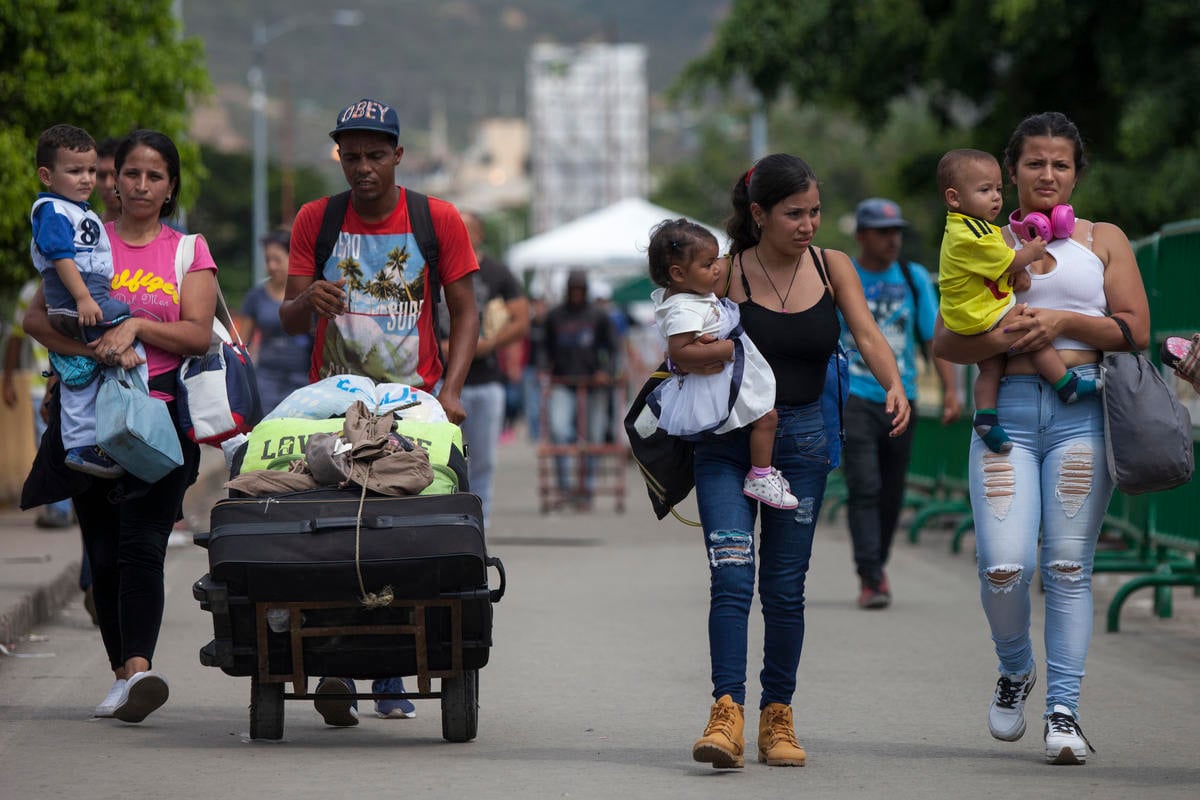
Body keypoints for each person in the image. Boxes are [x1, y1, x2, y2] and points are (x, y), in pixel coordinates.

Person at [932, 112, 1148, 765]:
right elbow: (945, 338)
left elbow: (1135, 329)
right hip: (1010, 418)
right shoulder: (981, 238)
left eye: (1060, 163)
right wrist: (1006, 337)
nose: (1047, 174)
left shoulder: (1103, 238)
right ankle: (1015, 667)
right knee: (1004, 567)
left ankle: (1063, 712)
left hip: (1083, 413)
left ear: (1077, 170)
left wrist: (1057, 321)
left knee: (1066, 568)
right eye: (1034, 163)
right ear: (1012, 171)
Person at [685, 154, 909, 769]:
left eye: (814, 211)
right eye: (794, 214)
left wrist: (893, 383)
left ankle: (776, 716)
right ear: (758, 214)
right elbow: (682, 344)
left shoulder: (831, 266)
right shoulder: (725, 273)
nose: (808, 224)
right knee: (732, 576)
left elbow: (865, 333)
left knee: (784, 589)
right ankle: (725, 712)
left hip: (805, 441)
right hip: (727, 445)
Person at [280, 96, 479, 725]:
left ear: (398, 155)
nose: (362, 166)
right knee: (335, 540)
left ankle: (392, 671)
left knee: (403, 541)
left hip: (412, 404)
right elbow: (286, 316)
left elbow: (466, 311)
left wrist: (449, 391)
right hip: (331, 404)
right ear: (339, 156)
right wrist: (307, 298)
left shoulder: (434, 218)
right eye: (351, 155)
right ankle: (338, 665)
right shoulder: (317, 219)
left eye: (375, 155)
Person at [23, 129, 217, 723]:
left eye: (153, 176)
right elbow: (35, 319)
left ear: (170, 187)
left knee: (143, 546)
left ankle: (139, 669)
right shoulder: (84, 238)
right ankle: (121, 674)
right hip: (87, 421)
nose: (138, 185)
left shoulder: (188, 251)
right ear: (112, 181)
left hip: (159, 422)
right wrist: (91, 353)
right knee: (103, 555)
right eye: (128, 174)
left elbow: (196, 334)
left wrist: (133, 326)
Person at [839, 199, 962, 610]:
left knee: (892, 491)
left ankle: (877, 565)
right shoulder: (844, 276)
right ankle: (870, 576)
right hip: (853, 395)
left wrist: (950, 391)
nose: (892, 239)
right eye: (881, 232)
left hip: (901, 398)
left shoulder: (912, 279)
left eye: (896, 232)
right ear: (861, 236)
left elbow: (934, 338)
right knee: (865, 486)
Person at [937, 149, 1099, 454]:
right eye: (984, 190)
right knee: (1030, 326)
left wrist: (1016, 274)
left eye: (998, 189)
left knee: (990, 367)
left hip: (973, 310)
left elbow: (1000, 270)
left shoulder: (974, 227)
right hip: (976, 314)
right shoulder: (969, 233)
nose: (996, 198)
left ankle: (985, 417)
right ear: (954, 198)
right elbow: (1009, 260)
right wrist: (1032, 251)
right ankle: (1066, 384)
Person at [646, 217, 797, 509]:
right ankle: (761, 475)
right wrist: (724, 349)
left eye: (716, 259)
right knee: (767, 417)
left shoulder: (691, 298)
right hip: (716, 383)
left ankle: (761, 473)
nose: (717, 268)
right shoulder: (685, 309)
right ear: (678, 273)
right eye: (707, 264)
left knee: (764, 417)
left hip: (718, 379)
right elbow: (680, 352)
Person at [29, 124, 145, 479]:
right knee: (129, 329)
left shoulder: (78, 210)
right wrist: (82, 298)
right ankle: (101, 439)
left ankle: (93, 442)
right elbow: (61, 256)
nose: (88, 179)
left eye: (91, 171)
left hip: (83, 300)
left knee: (84, 378)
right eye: (75, 171)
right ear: (47, 175)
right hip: (76, 302)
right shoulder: (51, 210)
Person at [453, 211, 529, 526]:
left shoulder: (498, 273)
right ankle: (447, 523)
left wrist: (490, 344)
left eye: (467, 230)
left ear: (480, 234)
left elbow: (522, 320)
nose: (461, 235)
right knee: (445, 462)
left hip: (486, 382)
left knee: (482, 461)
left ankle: (477, 528)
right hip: (441, 384)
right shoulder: (436, 271)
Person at [543, 270, 617, 508]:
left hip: (593, 384)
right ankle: (564, 487)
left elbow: (614, 348)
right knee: (559, 431)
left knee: (594, 436)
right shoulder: (555, 316)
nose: (576, 295)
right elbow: (543, 347)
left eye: (579, 290)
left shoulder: (598, 315)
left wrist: (606, 371)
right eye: (572, 290)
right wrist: (545, 369)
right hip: (563, 382)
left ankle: (587, 487)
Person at [236, 228, 313, 414]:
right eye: (268, 260)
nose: (272, 266)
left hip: (303, 379)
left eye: (277, 259)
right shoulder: (256, 296)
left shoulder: (310, 293)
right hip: (266, 381)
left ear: (292, 258)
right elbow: (241, 343)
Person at [95, 137, 122, 224]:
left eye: (116, 176)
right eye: (101, 176)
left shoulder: (161, 231)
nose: (108, 184)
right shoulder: (84, 230)